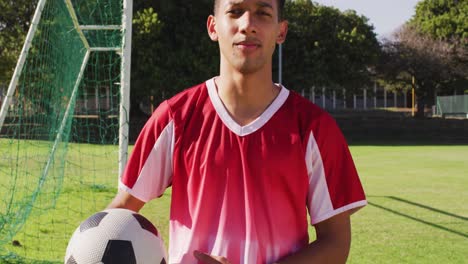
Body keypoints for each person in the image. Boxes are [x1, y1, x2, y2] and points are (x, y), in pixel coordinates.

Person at [107, 0, 367, 263]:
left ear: (281, 31)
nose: (247, 25)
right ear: (213, 27)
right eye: (235, 12)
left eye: (263, 14)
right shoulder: (175, 117)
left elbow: (335, 244)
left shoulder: (314, 127)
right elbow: (118, 217)